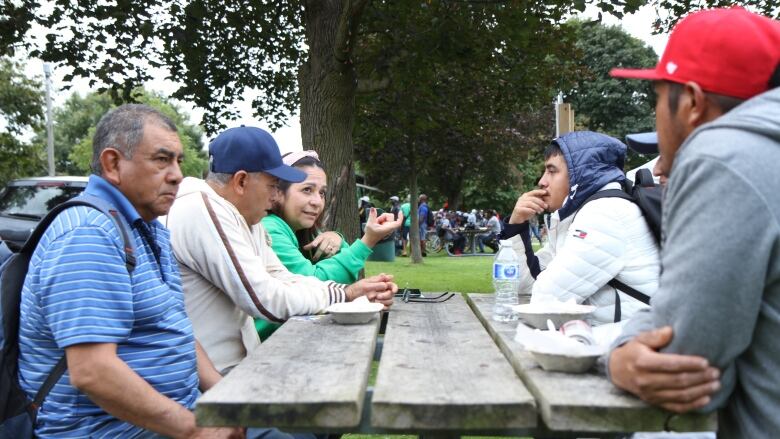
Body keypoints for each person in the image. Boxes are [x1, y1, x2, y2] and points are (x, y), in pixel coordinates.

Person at [606, 8, 780, 437]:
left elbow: (686, 365)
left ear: (692, 102)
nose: (655, 118)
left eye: (656, 99)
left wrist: (616, 353)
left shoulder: (723, 158)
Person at [17, 104, 238, 438]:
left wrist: (226, 399)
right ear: (113, 164)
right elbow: (92, 371)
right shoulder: (89, 234)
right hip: (110, 430)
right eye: (162, 160)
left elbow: (173, 327)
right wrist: (195, 431)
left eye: (178, 160)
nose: (178, 174)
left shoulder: (147, 229)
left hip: (178, 414)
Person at [164, 126, 396, 375]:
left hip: (238, 370)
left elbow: (282, 277)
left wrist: (349, 292)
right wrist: (346, 294)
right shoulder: (202, 209)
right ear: (241, 181)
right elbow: (264, 299)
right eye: (273, 186)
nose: (276, 197)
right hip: (205, 382)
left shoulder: (242, 215)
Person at [500, 131, 660, 325]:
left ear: (580, 174)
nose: (542, 181)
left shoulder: (605, 213)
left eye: (552, 171)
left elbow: (547, 300)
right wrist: (516, 224)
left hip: (634, 344)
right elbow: (526, 285)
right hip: (619, 339)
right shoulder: (578, 216)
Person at [257, 151, 402, 338]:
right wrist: (368, 240)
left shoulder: (300, 230)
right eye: (307, 190)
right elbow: (313, 283)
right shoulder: (270, 228)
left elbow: (338, 278)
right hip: (263, 350)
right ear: (278, 192)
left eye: (322, 193)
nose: (317, 202)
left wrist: (339, 239)